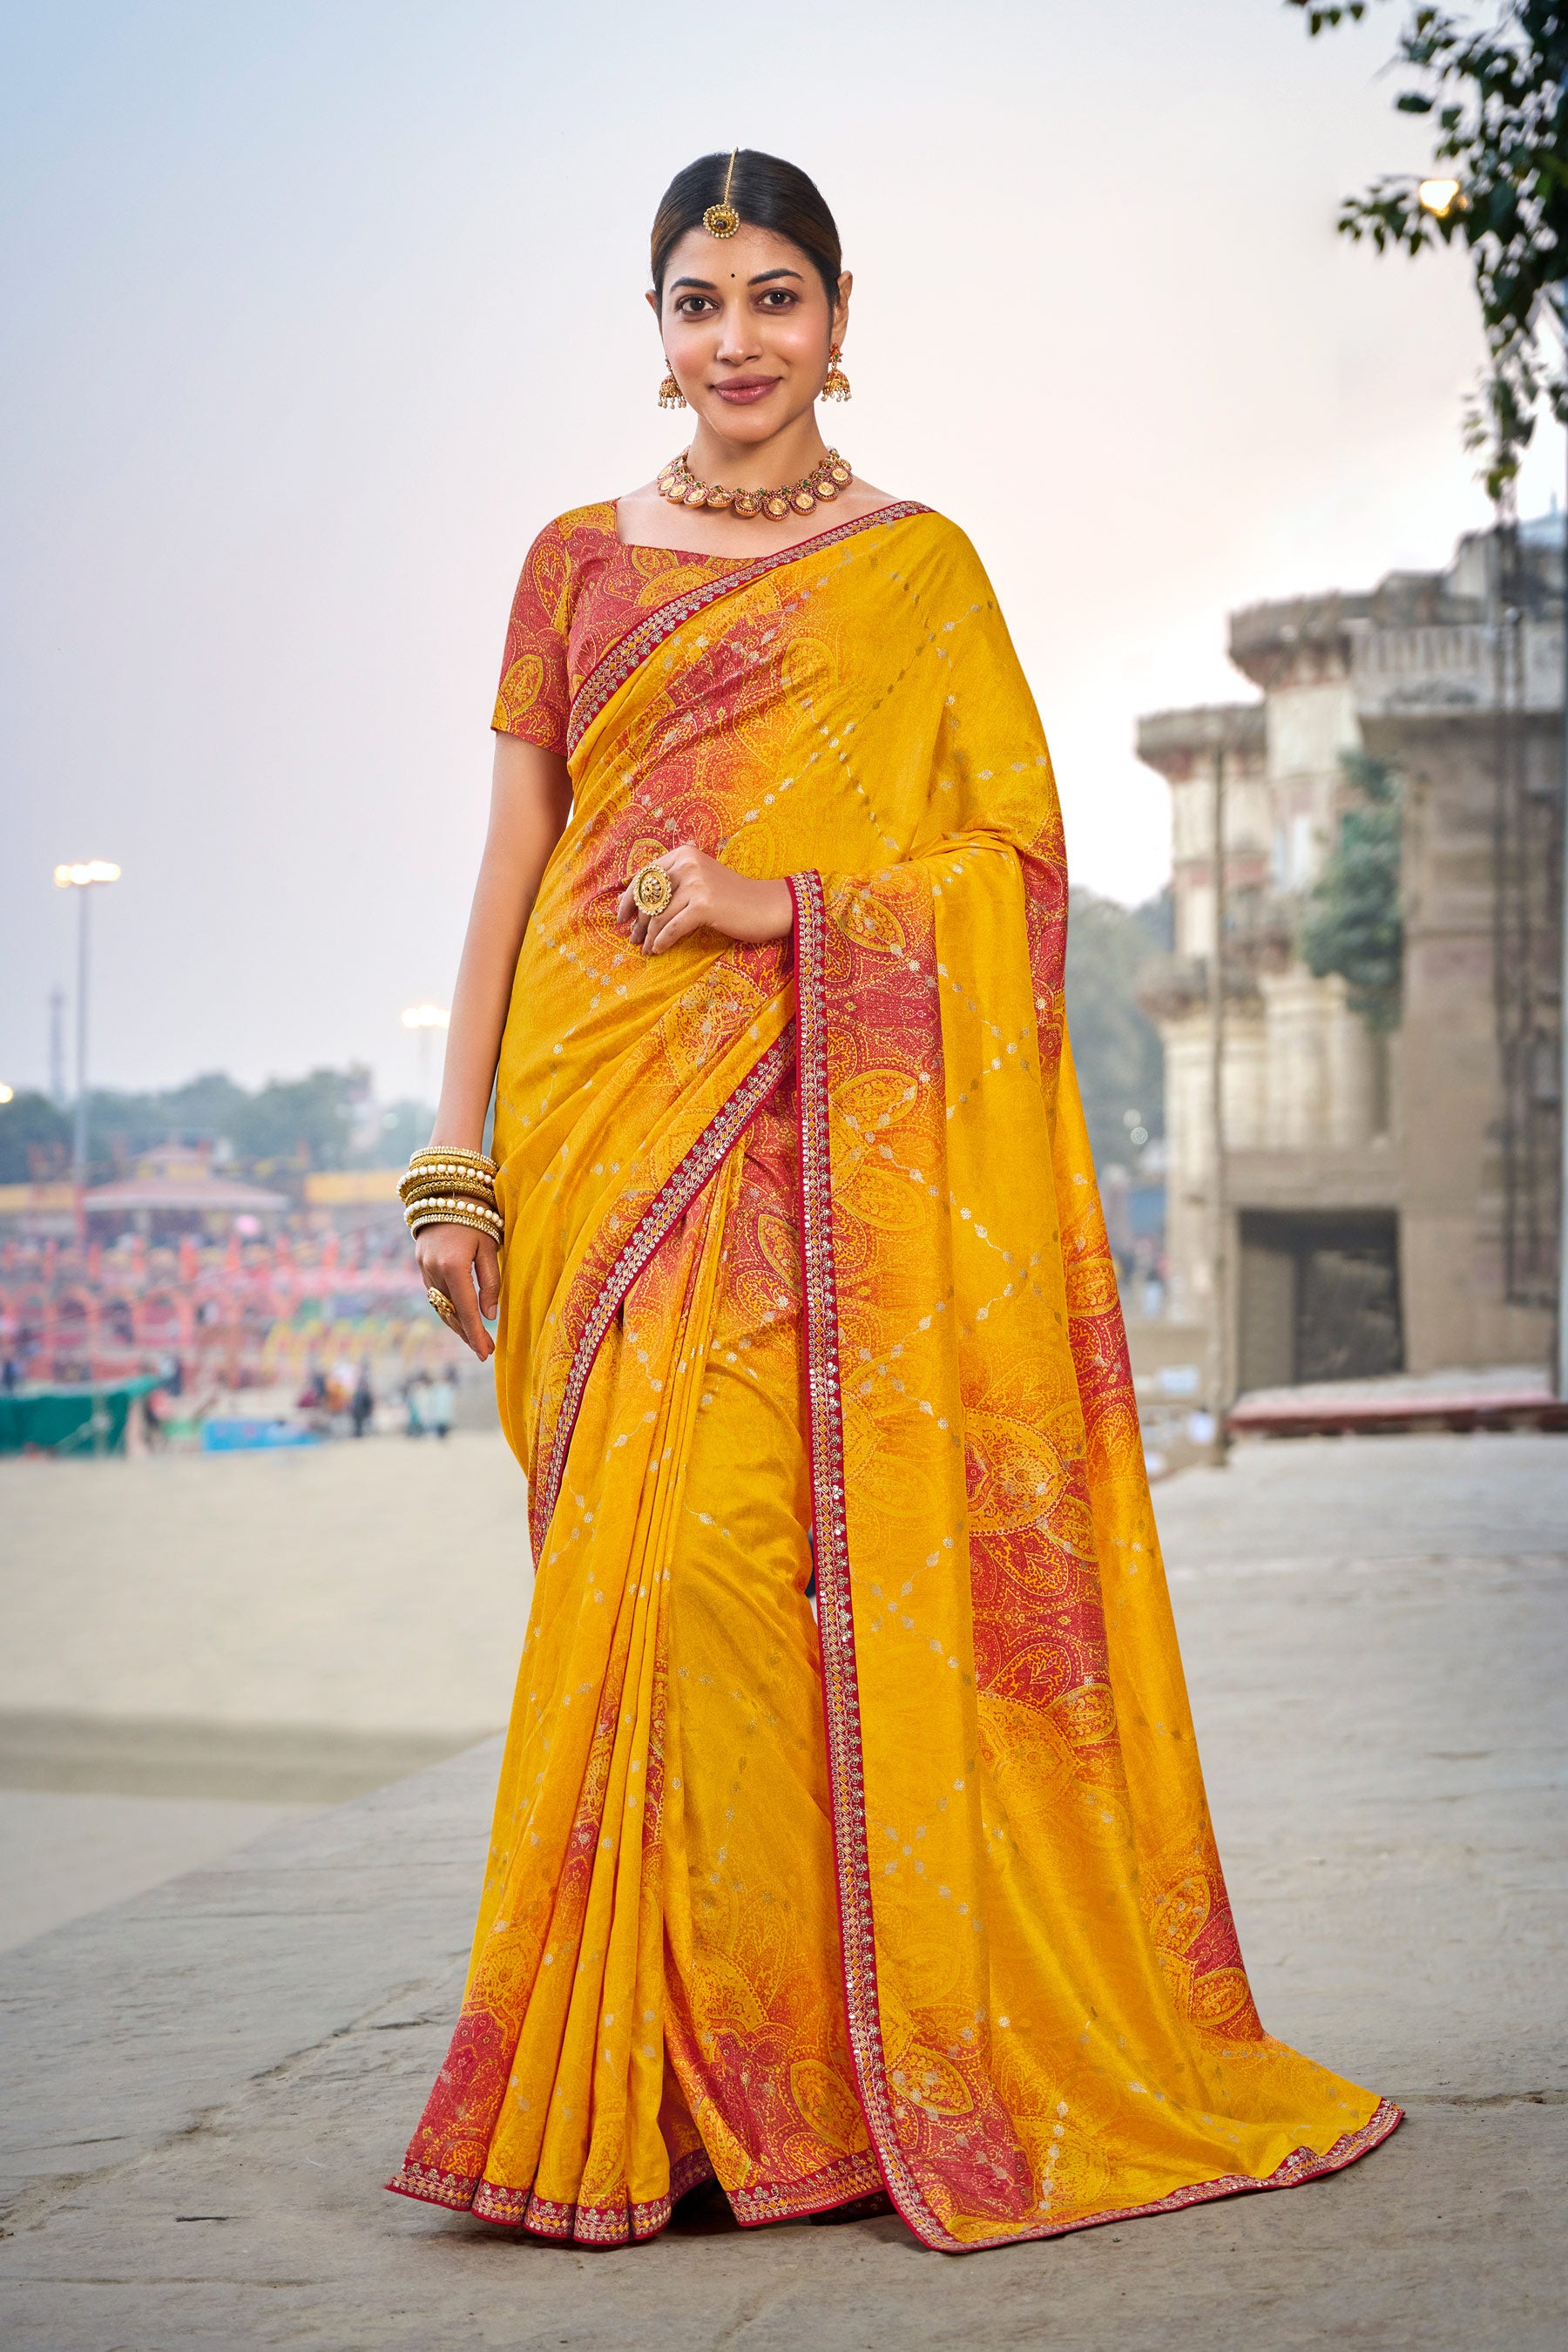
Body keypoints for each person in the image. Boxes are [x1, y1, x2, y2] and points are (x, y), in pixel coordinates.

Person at [389, 149, 1397, 2254]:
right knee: (636, 1593)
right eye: (698, 302)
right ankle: (658, 2094)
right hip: (600, 1123)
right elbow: (513, 861)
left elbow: (1015, 879)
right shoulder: (575, 564)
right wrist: (454, 1157)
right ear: (656, 330)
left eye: (775, 296)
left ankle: (798, 2087)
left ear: (842, 320)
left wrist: (779, 906)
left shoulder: (918, 573)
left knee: (746, 1578)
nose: (737, 340)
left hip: (810, 1140)